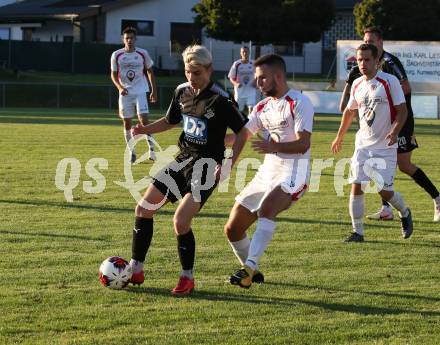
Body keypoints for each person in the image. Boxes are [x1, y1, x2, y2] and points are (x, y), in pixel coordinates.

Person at [128, 45, 249, 296]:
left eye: (196, 73)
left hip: (206, 166)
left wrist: (228, 164)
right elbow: (171, 121)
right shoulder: (182, 91)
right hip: (182, 159)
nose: (191, 78)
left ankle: (187, 277)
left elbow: (242, 132)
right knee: (143, 209)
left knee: (180, 221)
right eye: (187, 72)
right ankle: (135, 267)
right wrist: (144, 129)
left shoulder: (221, 99)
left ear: (209, 70)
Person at [224, 54, 314, 289]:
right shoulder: (262, 107)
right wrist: (216, 143)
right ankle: (252, 271)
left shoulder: (299, 102)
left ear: (278, 76)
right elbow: (242, 135)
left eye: (262, 78)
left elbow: (304, 144)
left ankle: (249, 268)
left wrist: (274, 146)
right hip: (268, 171)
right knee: (232, 229)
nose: (258, 83)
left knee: (267, 209)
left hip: (294, 171)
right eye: (257, 78)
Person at [339, 27, 440, 222]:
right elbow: (350, 82)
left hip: (400, 121)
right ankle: (386, 208)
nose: (368, 43)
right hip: (380, 123)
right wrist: (344, 103)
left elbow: (406, 87)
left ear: (380, 42)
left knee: (404, 165)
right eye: (365, 39)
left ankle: (437, 198)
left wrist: (394, 109)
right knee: (376, 164)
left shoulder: (390, 62)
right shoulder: (362, 62)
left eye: (372, 40)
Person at [332, 43, 414, 243]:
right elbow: (350, 111)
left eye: (367, 60)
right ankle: (357, 232)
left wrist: (395, 131)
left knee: (383, 190)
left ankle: (404, 211)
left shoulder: (389, 81)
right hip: (363, 145)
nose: (362, 64)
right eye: (359, 60)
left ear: (377, 62)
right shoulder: (358, 84)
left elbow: (402, 110)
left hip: (385, 146)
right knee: (356, 185)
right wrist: (339, 136)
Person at [110, 26, 157, 163]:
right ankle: (132, 152)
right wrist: (119, 87)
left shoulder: (143, 53)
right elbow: (113, 74)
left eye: (131, 38)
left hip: (140, 91)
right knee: (127, 123)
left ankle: (152, 150)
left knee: (144, 121)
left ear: (135, 39)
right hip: (125, 93)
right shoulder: (117, 55)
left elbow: (150, 71)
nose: (129, 40)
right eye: (127, 38)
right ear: (123, 39)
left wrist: (153, 90)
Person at [228, 46, 258, 115]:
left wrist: (255, 82)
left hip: (251, 91)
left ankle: (249, 125)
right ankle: (240, 125)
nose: (245, 53)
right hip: (240, 92)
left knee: (251, 110)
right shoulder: (237, 64)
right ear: (240, 53)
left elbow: (258, 75)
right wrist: (236, 84)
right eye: (243, 52)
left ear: (249, 53)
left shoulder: (253, 63)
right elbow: (231, 77)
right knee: (239, 112)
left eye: (246, 52)